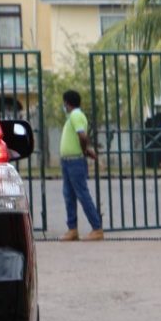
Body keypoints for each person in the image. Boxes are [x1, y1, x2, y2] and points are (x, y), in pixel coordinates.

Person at [58, 89, 104, 241]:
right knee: (69, 195)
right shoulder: (72, 116)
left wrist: (84, 150)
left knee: (82, 194)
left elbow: (82, 136)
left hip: (75, 161)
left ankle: (97, 228)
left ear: (67, 102)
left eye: (64, 102)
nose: (63, 105)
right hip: (68, 161)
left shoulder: (76, 115)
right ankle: (72, 229)